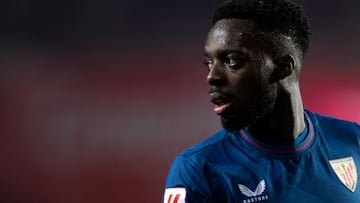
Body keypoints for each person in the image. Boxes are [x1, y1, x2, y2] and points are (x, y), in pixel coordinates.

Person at [162, 0, 360, 202]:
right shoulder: (198, 170)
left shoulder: (353, 140)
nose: (212, 76)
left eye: (232, 61)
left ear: (283, 67)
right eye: (209, 63)